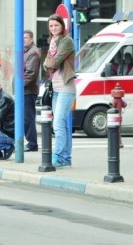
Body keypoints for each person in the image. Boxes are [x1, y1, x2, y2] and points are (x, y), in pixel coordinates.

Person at [43, 14, 76, 168]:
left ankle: (57, 156)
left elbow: (55, 62)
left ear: (62, 26)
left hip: (66, 87)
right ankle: (66, 158)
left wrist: (49, 63)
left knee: (57, 124)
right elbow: (45, 65)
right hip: (55, 87)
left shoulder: (66, 41)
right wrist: (49, 63)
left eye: (56, 25)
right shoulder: (52, 42)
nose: (54, 28)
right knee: (62, 124)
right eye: (51, 26)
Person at [23, 30, 40, 152]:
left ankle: (32, 143)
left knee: (28, 118)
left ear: (32, 38)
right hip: (25, 90)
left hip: (28, 90)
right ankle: (30, 142)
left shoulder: (32, 52)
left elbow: (30, 74)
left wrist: (19, 86)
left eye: (26, 37)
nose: (23, 40)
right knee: (25, 117)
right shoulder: (26, 51)